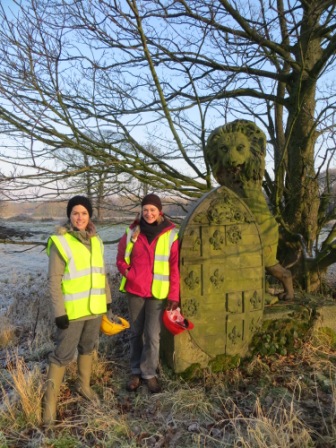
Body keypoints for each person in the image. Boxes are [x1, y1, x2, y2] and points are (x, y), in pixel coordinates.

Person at [42, 195, 111, 426]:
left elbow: (102, 274)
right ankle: (49, 407)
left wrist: (107, 301)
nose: (80, 217)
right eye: (75, 213)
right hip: (71, 312)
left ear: (89, 215)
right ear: (69, 216)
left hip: (94, 308)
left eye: (83, 213)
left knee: (88, 348)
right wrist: (59, 312)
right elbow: (53, 281)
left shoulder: (97, 241)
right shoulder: (60, 242)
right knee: (61, 356)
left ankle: (83, 386)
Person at [116, 193, 179, 393]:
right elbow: (120, 259)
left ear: (159, 211)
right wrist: (129, 273)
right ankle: (135, 371)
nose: (149, 213)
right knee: (136, 333)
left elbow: (174, 267)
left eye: (152, 210)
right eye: (145, 210)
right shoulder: (132, 232)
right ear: (141, 212)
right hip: (135, 290)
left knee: (152, 335)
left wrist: (174, 296)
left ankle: (149, 373)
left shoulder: (170, 235)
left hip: (158, 293)